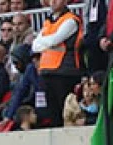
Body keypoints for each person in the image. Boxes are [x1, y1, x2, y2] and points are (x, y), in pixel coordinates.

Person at [34, 0, 85, 128]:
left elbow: (54, 40)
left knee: (66, 111)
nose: (53, 2)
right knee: (53, 114)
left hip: (64, 72)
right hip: (47, 70)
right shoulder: (48, 21)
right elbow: (35, 46)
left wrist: (45, 43)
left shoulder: (70, 20)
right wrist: (48, 44)